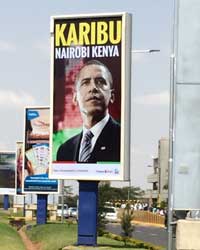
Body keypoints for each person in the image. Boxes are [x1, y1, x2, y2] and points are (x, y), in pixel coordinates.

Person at [57, 59, 120, 163]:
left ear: (112, 96)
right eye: (85, 83)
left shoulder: (121, 140)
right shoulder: (65, 150)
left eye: (100, 82)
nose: (93, 88)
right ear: (75, 97)